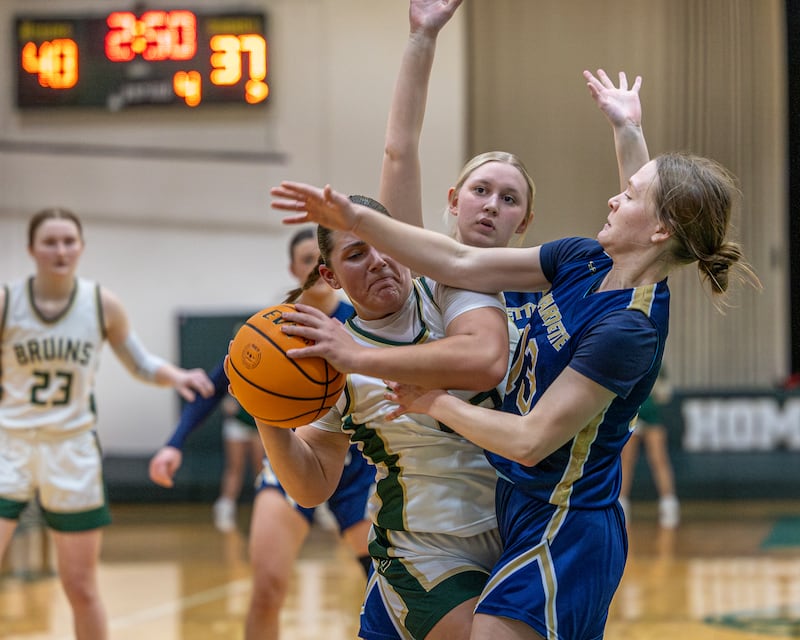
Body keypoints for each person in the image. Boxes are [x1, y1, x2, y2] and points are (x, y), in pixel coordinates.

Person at [270, 151, 760, 640]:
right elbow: (457, 253)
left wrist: (429, 398)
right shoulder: (583, 260)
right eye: (480, 191)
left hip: (563, 515)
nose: (613, 198)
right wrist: (626, 132)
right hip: (484, 522)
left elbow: (527, 438)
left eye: (628, 195)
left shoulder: (619, 326)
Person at [237, 190, 518, 639]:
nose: (378, 260)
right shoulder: (329, 366)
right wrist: (266, 412)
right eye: (355, 253)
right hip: (425, 549)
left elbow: (484, 360)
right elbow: (311, 486)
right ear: (329, 276)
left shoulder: (449, 291)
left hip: (515, 524)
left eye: (383, 243)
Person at [148, 226, 375, 640]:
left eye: (325, 261)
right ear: (293, 268)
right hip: (291, 461)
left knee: (379, 589)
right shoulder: (272, 327)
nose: (317, 269)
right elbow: (217, 385)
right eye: (308, 260)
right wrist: (174, 443)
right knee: (267, 587)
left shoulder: (361, 324)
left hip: (356, 467)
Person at [0, 207, 215, 640]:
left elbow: (137, 361)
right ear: (31, 250)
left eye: (68, 241)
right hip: (11, 443)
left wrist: (176, 375)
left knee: (80, 586)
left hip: (72, 447)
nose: (60, 250)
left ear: (80, 247)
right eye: (50, 241)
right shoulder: (8, 303)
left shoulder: (100, 304)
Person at [619, 365, 680, 528]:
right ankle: (621, 506)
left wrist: (658, 396)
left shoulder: (657, 358)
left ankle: (669, 505)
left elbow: (665, 391)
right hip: (631, 413)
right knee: (626, 461)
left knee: (659, 460)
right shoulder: (628, 355)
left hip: (651, 415)